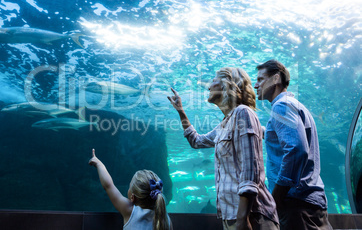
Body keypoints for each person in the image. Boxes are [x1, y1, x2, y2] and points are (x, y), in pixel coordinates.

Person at [168, 67, 279, 230]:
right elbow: (197, 141)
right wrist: (181, 111)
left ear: (228, 85)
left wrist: (242, 220)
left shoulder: (243, 113)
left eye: (213, 81)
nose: (208, 87)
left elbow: (250, 172)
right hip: (232, 217)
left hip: (251, 217)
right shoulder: (226, 123)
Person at [254, 59, 332, 229]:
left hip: (296, 203)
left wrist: (276, 197)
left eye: (260, 79)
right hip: (308, 201)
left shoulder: (281, 106)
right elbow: (287, 140)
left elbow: (297, 150)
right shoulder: (294, 106)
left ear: (275, 79)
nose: (255, 85)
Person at [88, 149, 173, 230]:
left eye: (130, 187)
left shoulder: (129, 211)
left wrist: (99, 164)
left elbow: (108, 185)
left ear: (132, 197)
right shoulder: (165, 220)